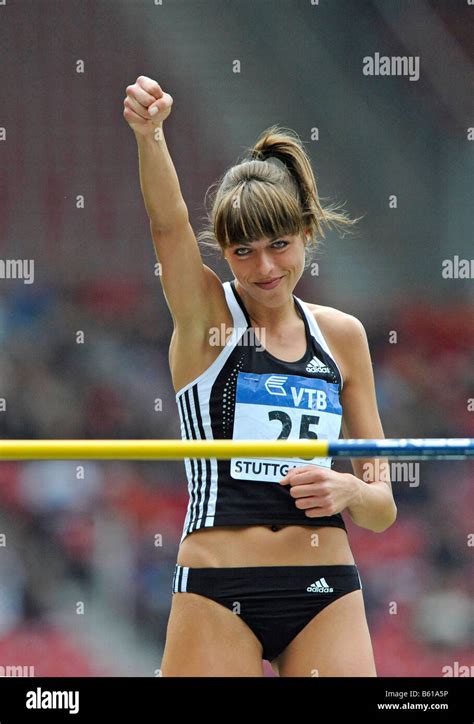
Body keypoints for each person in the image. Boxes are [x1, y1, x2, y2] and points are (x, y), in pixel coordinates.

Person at [123, 75, 397, 677]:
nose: (265, 266)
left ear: (306, 232)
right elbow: (168, 229)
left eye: (279, 244)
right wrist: (151, 136)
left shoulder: (344, 337)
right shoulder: (205, 321)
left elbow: (381, 506)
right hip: (220, 589)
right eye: (243, 251)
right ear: (223, 252)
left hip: (325, 585)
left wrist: (352, 490)